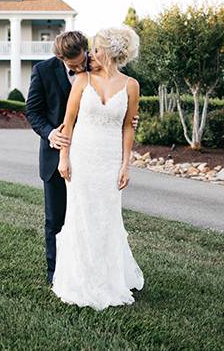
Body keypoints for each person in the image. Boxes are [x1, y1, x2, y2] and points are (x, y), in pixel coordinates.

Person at [25, 30, 138, 287]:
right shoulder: (43, 71)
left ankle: (96, 273)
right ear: (60, 58)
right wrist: (51, 134)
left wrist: (123, 116)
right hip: (57, 154)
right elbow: (33, 111)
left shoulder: (96, 65)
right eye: (72, 65)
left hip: (97, 156)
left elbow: (116, 101)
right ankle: (57, 274)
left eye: (81, 61)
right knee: (56, 219)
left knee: (93, 217)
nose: (78, 67)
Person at [50, 25, 145, 310]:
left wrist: (126, 165)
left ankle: (107, 279)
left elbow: (129, 126)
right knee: (80, 216)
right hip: (81, 158)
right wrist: (63, 157)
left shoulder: (131, 86)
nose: (92, 52)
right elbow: (68, 121)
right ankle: (79, 278)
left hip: (108, 160)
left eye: (96, 48)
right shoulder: (83, 80)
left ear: (110, 52)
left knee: (106, 219)